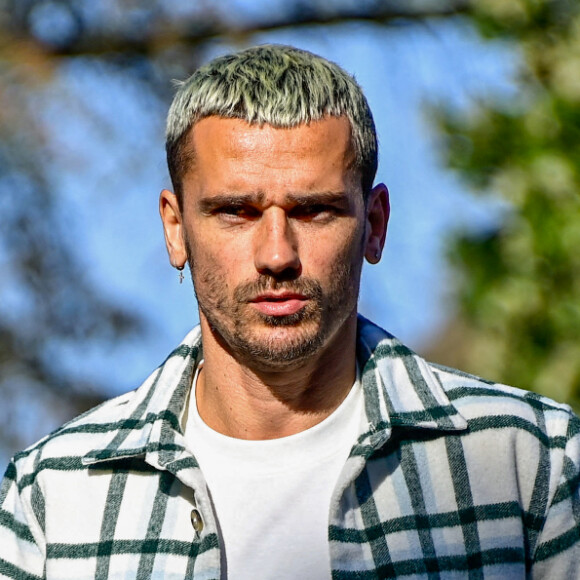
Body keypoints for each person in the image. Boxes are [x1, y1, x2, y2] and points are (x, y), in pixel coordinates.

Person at [0, 44, 579, 580]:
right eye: (235, 211)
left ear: (374, 225)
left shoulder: (536, 464)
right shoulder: (52, 498)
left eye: (314, 211)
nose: (277, 254)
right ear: (176, 228)